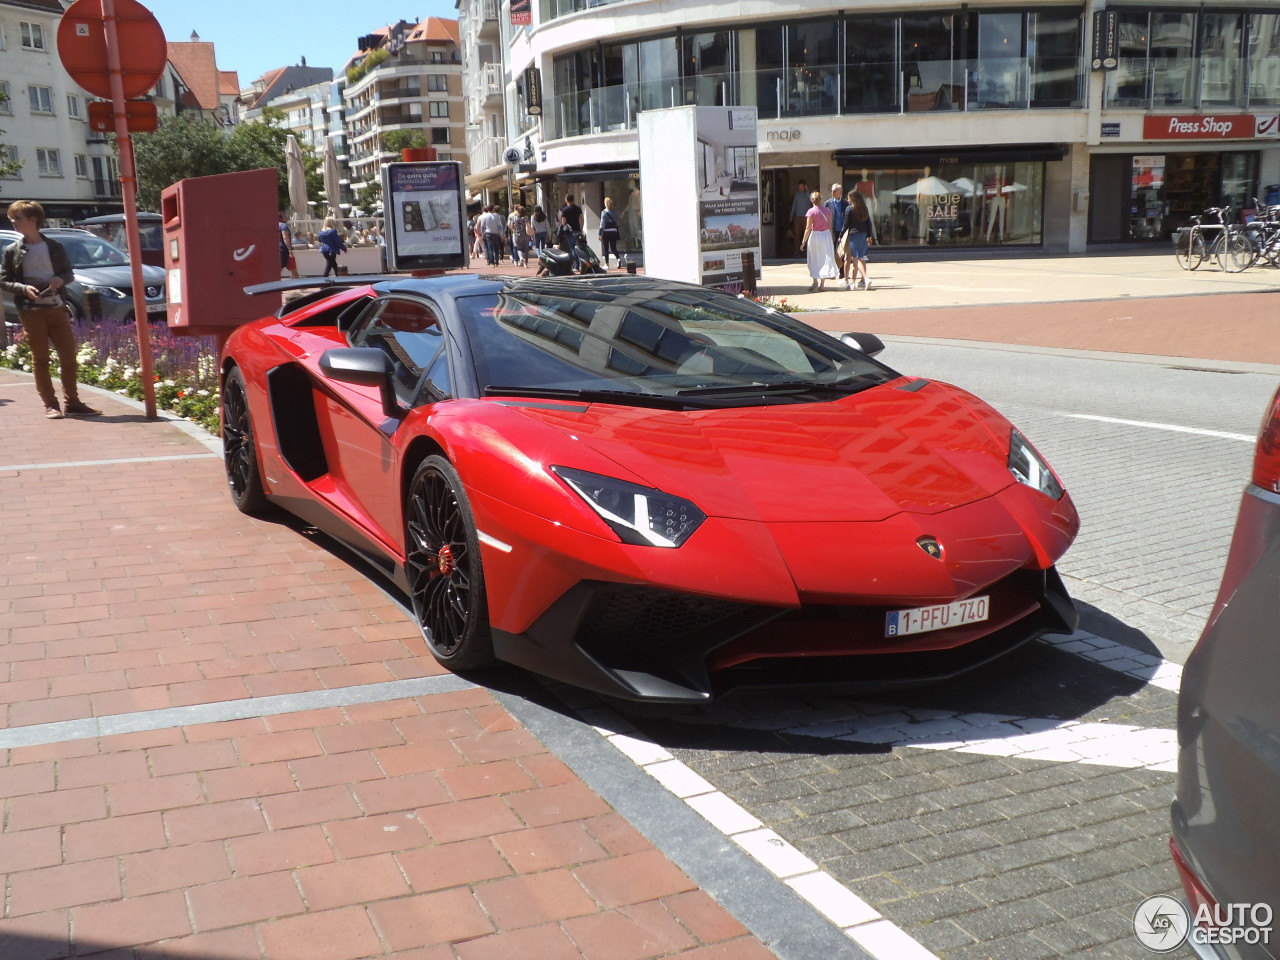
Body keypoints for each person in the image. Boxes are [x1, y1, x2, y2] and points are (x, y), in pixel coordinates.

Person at [0, 200, 100, 419]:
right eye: (12, 219)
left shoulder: (54, 247)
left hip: (57, 308)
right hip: (31, 312)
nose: (14, 223)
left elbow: (68, 274)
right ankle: (50, 404)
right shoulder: (12, 250)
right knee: (41, 359)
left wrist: (59, 280)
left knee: (68, 356)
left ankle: (72, 402)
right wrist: (24, 288)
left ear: (33, 219)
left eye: (18, 218)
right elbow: (4, 280)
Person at [799, 190, 838, 291]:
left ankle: (815, 280)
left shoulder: (811, 212)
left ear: (812, 200)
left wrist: (803, 242)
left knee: (814, 258)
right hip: (825, 235)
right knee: (825, 258)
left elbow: (808, 228)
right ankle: (822, 284)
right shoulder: (827, 211)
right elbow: (830, 226)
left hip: (815, 236)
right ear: (820, 200)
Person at [841, 192, 873, 290]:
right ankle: (859, 281)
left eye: (848, 198)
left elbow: (846, 224)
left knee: (856, 258)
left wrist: (840, 235)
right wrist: (869, 236)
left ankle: (865, 278)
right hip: (863, 234)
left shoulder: (849, 209)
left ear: (852, 199)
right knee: (862, 257)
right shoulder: (864, 208)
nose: (847, 200)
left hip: (854, 235)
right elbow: (869, 223)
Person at [823, 183, 847, 277]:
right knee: (831, 251)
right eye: (832, 191)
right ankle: (832, 271)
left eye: (834, 191)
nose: (832, 193)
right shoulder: (828, 203)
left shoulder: (845, 203)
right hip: (831, 231)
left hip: (842, 231)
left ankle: (842, 272)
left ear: (840, 192)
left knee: (841, 252)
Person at [559, 194, 584, 270]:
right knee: (579, 247)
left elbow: (563, 221)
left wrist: (562, 227)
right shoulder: (578, 208)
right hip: (577, 229)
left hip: (569, 231)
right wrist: (581, 227)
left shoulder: (565, 210)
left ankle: (576, 265)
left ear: (566, 199)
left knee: (572, 248)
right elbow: (582, 218)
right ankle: (580, 264)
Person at [598, 197, 621, 267]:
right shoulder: (615, 212)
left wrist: (599, 233)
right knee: (613, 247)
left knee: (606, 248)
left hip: (606, 232)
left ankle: (607, 264)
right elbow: (617, 222)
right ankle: (618, 259)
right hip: (614, 231)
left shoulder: (604, 212)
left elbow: (602, 223)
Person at [790, 179, 810, 256]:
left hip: (806, 217)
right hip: (798, 217)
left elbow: (811, 200)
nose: (800, 188)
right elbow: (794, 205)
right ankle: (797, 250)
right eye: (799, 186)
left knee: (807, 233)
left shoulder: (808, 194)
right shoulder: (797, 194)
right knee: (797, 234)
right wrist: (791, 216)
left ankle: (807, 250)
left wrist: (807, 189)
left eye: (802, 186)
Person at [278, 213, 299, 278]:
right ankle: (299, 285)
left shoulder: (273, 225)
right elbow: (285, 237)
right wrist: (289, 250)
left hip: (277, 250)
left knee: (278, 269)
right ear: (281, 218)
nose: (287, 217)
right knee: (293, 268)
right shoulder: (283, 226)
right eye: (285, 216)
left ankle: (276, 285)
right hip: (284, 250)